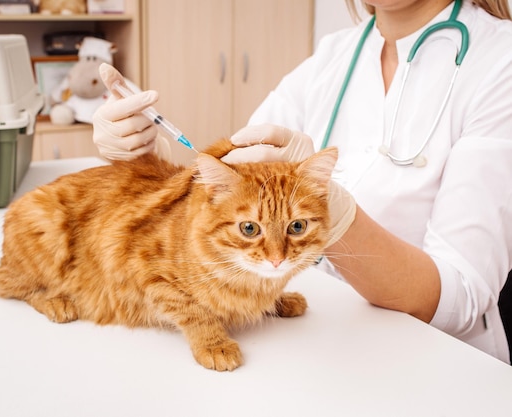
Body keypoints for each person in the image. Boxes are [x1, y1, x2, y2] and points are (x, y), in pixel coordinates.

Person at [91, 0, 512, 364]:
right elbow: (230, 186)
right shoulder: (334, 56)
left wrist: (339, 214)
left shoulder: (500, 60)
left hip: (440, 364)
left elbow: (460, 297)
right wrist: (139, 158)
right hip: (314, 340)